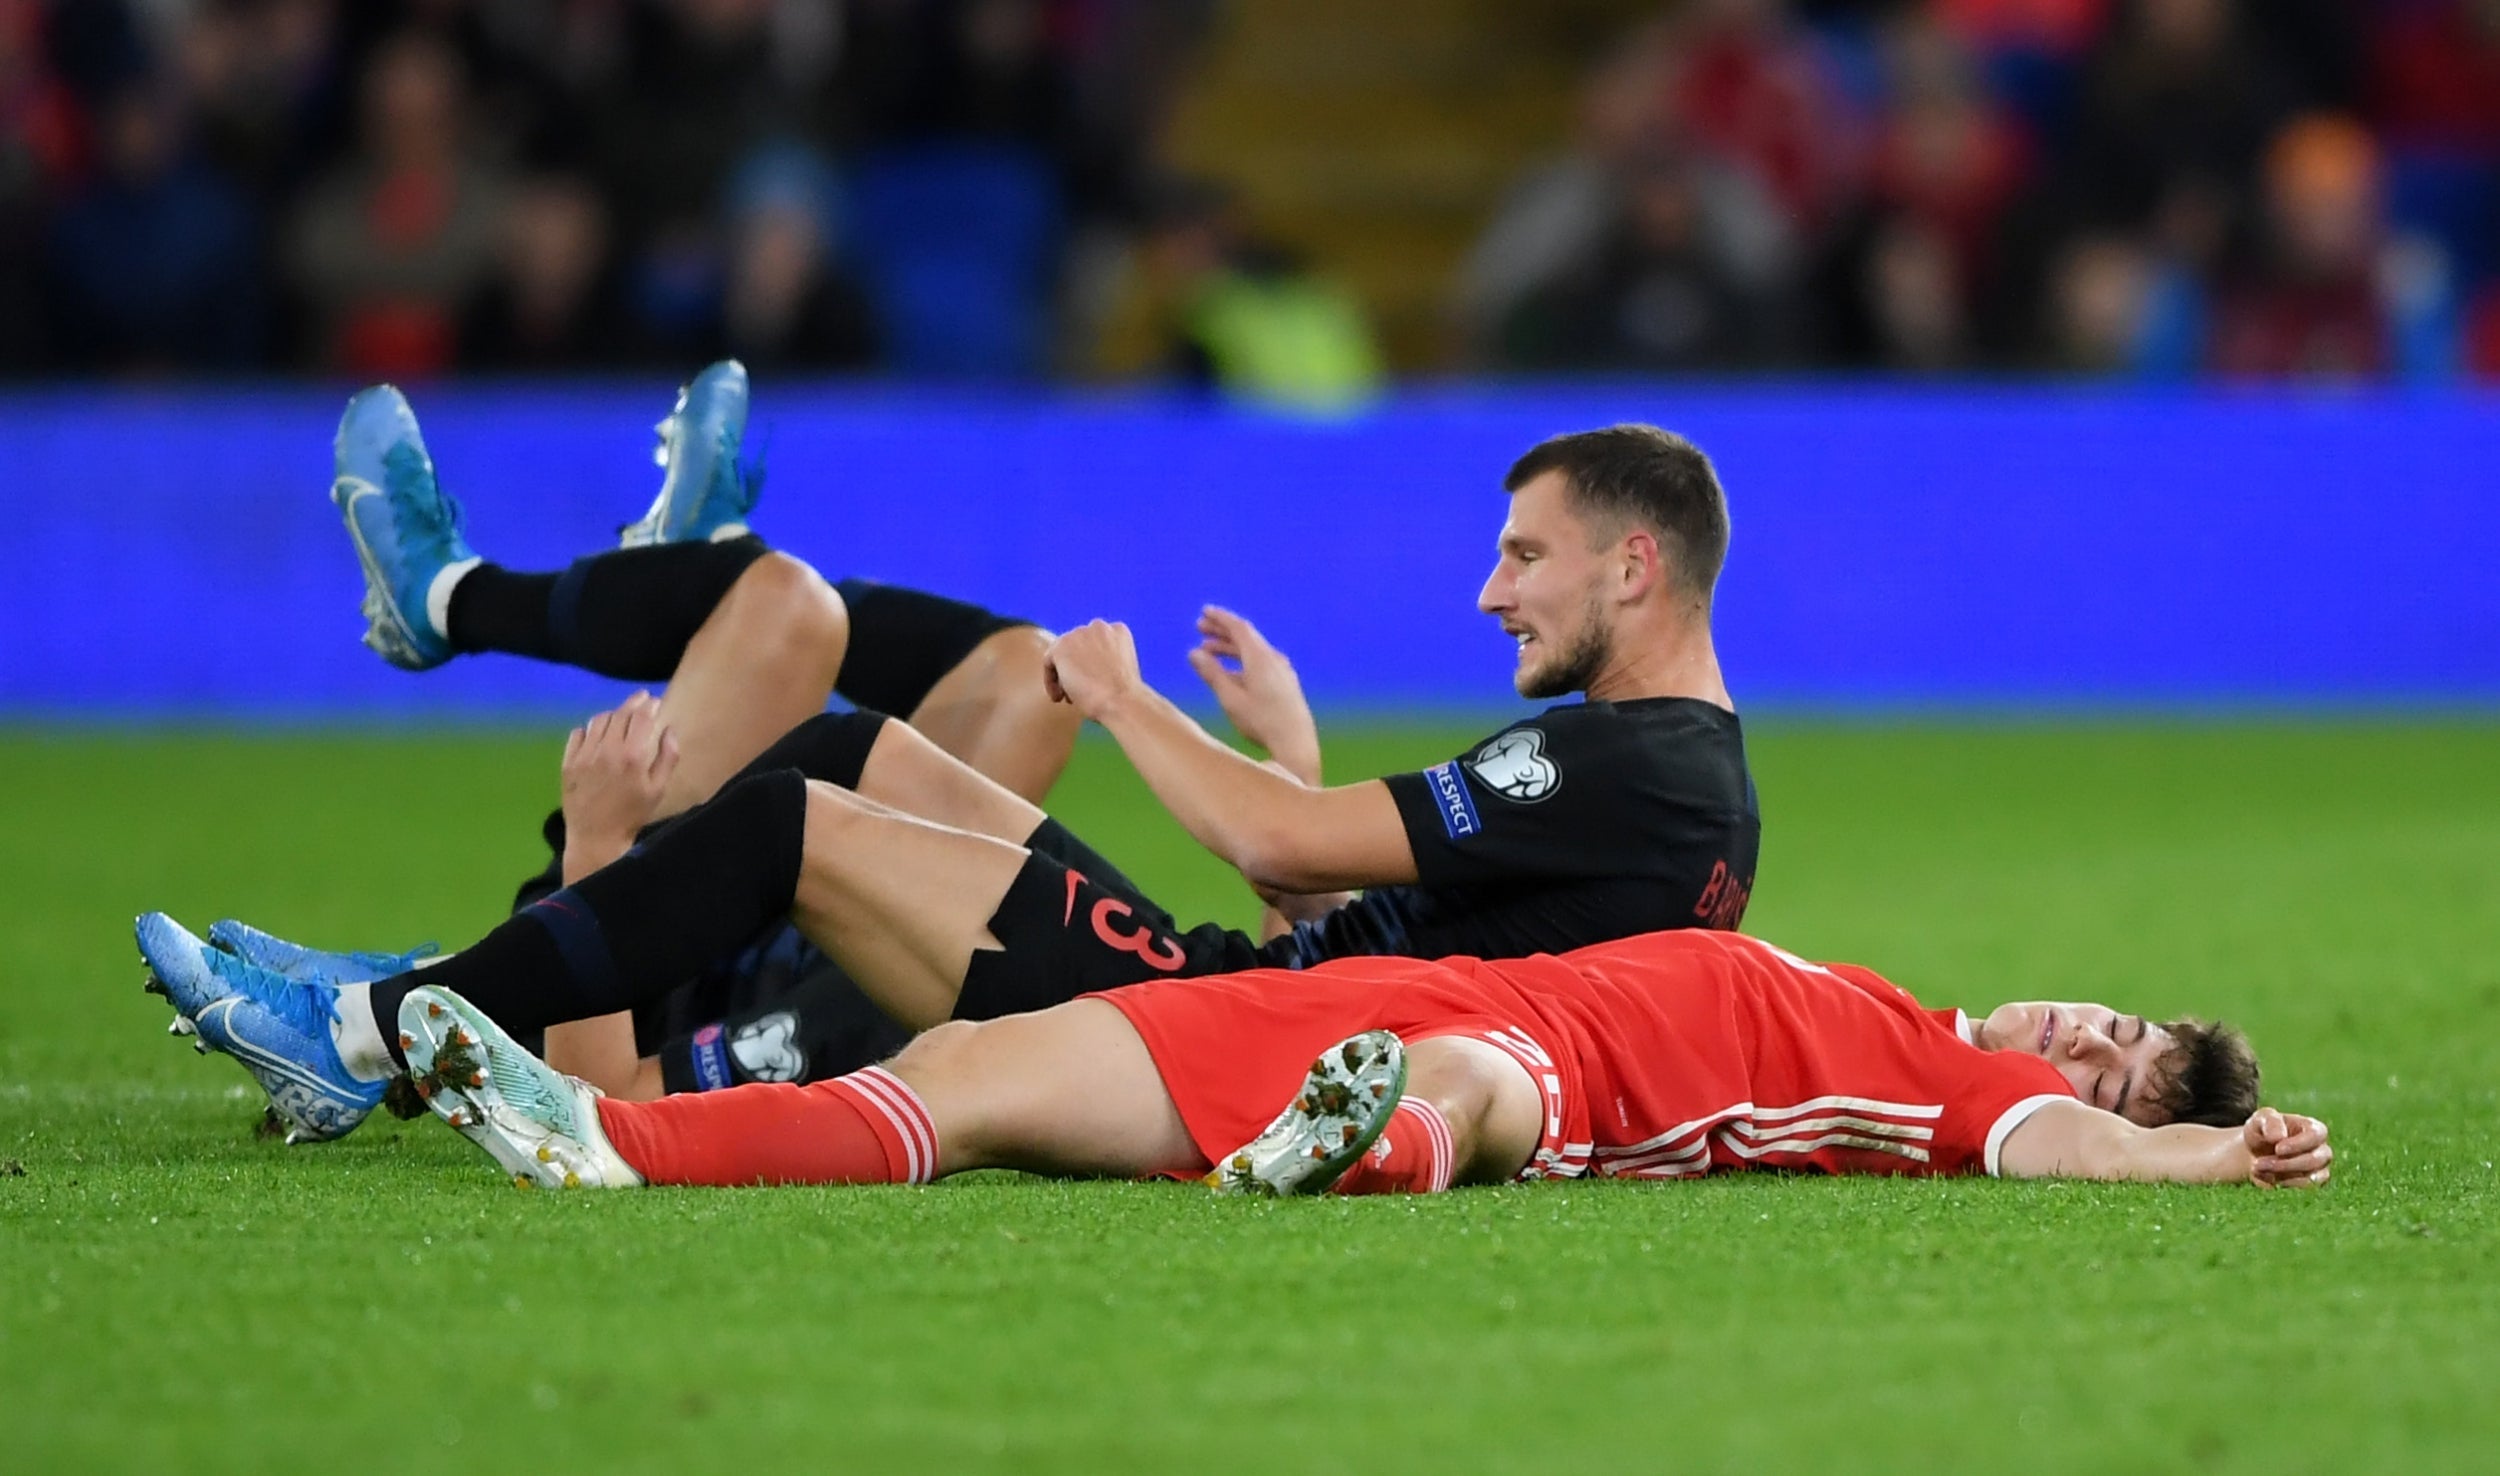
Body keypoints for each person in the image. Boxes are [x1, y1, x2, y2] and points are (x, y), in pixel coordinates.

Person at [141, 417, 1762, 1148]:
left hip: (1222, 1032)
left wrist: (1133, 707)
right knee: (849, 747)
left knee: (796, 807)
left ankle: (374, 1033)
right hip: (1272, 1006)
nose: (1492, 591)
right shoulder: (1676, 787)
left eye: (1524, 554)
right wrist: (1293, 759)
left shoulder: (1629, 762)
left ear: (1633, 567)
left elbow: (1274, 848)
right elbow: (1389, 924)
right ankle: (429, 972)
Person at [384, 926, 2331, 1197]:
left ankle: (1364, 1152)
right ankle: (617, 1138)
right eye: (2112, 1016)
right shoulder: (1890, 994)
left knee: (1466, 1090)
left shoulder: (1961, 1099)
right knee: (968, 1061)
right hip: (1386, 989)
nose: (2085, 1041)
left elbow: (2065, 1162)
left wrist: (2202, 1160)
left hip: (1544, 1068)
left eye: (2122, 1066)